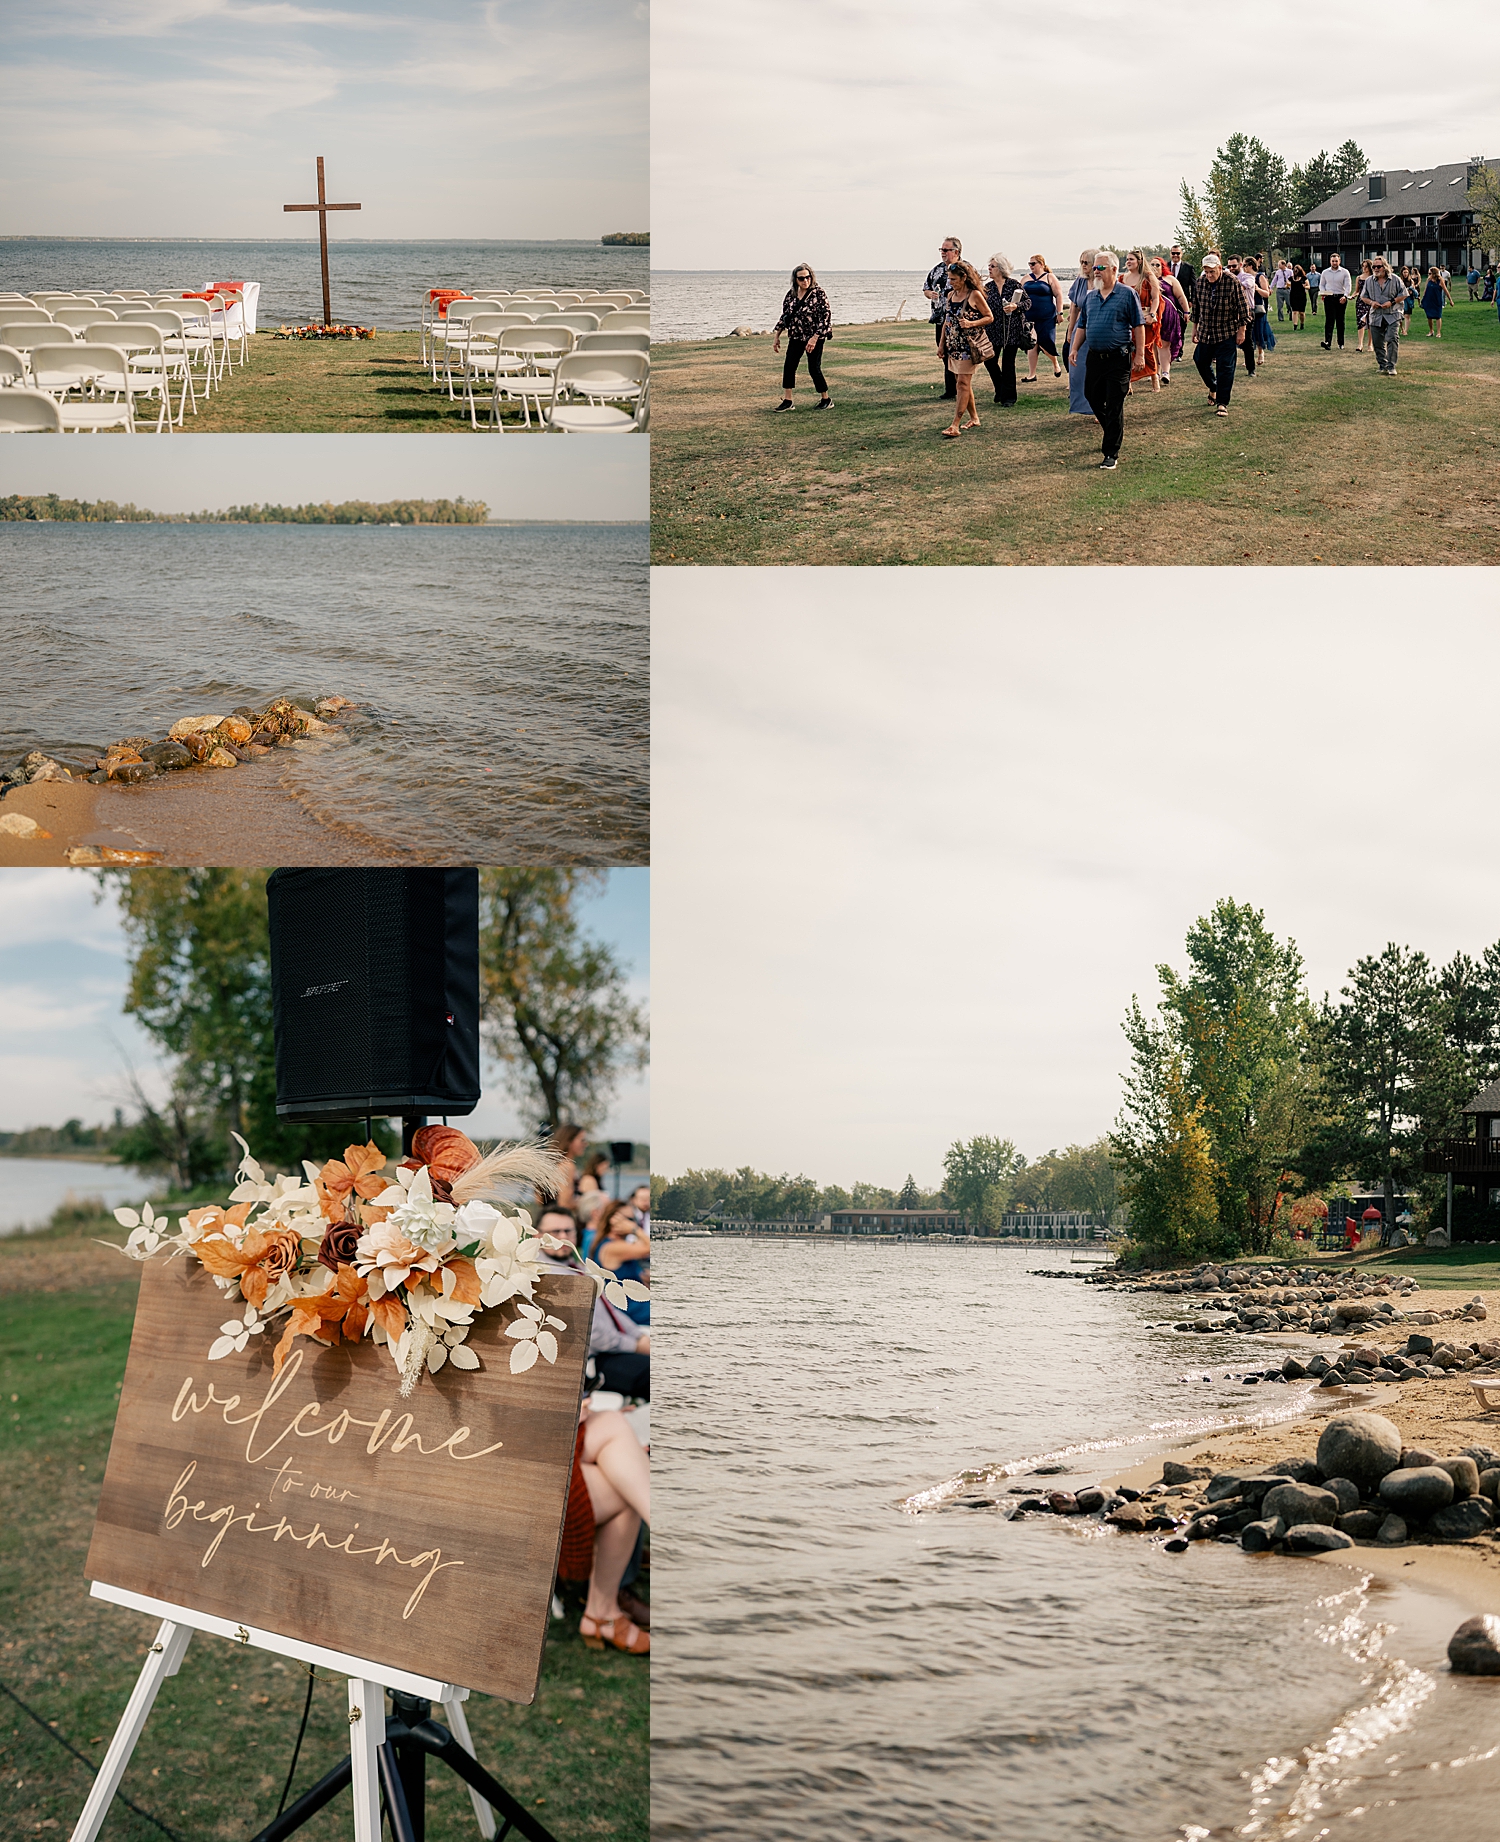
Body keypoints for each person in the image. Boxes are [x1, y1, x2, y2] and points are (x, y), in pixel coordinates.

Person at [557, 1398, 652, 1655]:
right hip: (505, 1453)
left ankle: (601, 1615)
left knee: (616, 1437)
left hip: (546, 1431)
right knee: (624, 1481)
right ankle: (601, 1614)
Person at [1068, 251, 1144, 470]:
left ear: (1113, 269)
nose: (1096, 271)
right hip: (1095, 357)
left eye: (1100, 268)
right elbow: (1082, 325)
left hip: (1118, 358)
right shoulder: (1091, 297)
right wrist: (1074, 348)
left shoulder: (1127, 294)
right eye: (1095, 268)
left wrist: (1139, 355)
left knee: (1114, 404)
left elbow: (1138, 325)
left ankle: (1110, 453)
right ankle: (1111, 429)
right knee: (1091, 396)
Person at [937, 258, 992, 436]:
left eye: (953, 279)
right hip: (953, 345)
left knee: (962, 383)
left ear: (963, 278)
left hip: (969, 346)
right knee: (963, 383)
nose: (950, 282)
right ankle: (974, 418)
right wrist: (941, 344)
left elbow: (989, 317)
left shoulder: (974, 295)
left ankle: (955, 424)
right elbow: (947, 321)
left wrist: (970, 323)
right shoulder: (950, 295)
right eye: (949, 279)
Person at [1190, 251, 1248, 417]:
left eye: (1212, 272)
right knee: (1200, 360)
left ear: (1220, 269)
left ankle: (1222, 403)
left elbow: (1242, 308)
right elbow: (1197, 308)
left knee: (1225, 368)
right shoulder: (1200, 282)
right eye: (1206, 272)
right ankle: (1213, 386)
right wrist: (1195, 329)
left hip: (1226, 331)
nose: (1209, 275)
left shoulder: (1232, 282)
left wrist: (1241, 331)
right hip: (1206, 331)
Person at [771, 264, 832, 410]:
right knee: (789, 366)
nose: (805, 280)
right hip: (796, 336)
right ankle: (788, 400)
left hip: (814, 336)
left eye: (808, 277)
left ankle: (826, 399)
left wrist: (815, 338)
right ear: (795, 280)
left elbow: (826, 317)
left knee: (814, 368)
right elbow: (785, 317)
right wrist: (777, 336)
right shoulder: (791, 295)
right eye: (801, 278)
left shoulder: (818, 293)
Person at [587, 1197, 652, 1324]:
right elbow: (649, 1248)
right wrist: (635, 1230)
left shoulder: (614, 1244)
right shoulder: (612, 1247)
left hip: (633, 1302)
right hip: (630, 1308)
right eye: (628, 1219)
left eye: (633, 1219)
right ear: (612, 1220)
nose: (633, 1223)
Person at [980, 253, 1027, 406]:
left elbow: (1028, 303)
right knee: (989, 361)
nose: (989, 269)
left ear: (1000, 269)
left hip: (1011, 331)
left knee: (1008, 365)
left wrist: (1016, 306)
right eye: (989, 266)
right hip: (992, 331)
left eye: (992, 266)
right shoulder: (987, 288)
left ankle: (1009, 398)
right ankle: (1000, 388)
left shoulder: (1014, 285)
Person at [591, 1288, 650, 1400]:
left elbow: (610, 1311)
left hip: (616, 1346)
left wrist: (639, 1336)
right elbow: (592, 1332)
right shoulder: (560, 1275)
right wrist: (636, 1346)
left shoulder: (580, 1271)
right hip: (594, 1359)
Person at [925, 236, 963, 400]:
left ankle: (961, 386)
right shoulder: (937, 270)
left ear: (956, 252)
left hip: (958, 320)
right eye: (941, 250)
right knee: (944, 353)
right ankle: (951, 389)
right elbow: (926, 288)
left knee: (958, 354)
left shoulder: (964, 269)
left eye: (946, 250)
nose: (943, 253)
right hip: (940, 318)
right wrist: (930, 294)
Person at [1021, 255, 1065, 381]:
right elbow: (1017, 295)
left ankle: (1055, 363)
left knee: (1046, 342)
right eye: (1029, 264)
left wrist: (1060, 313)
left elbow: (1058, 294)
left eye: (1033, 263)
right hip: (1029, 316)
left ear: (1041, 264)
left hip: (1046, 317)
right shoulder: (1025, 278)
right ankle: (1032, 374)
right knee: (1032, 343)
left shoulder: (1049, 277)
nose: (1031, 266)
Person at [1360, 257, 1407, 376]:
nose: (1376, 269)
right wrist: (1371, 303)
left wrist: (1391, 302)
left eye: (1378, 266)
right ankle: (1382, 365)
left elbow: (1404, 294)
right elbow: (1363, 296)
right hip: (1376, 315)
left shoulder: (1395, 279)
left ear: (1384, 267)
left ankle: (1391, 366)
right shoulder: (1369, 281)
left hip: (1393, 314)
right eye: (1374, 267)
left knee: (1392, 338)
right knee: (1377, 342)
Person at [1123, 251, 1161, 391]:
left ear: (1139, 261)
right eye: (1127, 259)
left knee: (1146, 348)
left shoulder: (1148, 277)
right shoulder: (1122, 278)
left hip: (1145, 318)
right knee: (1128, 350)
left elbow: (1156, 298)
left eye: (1131, 259)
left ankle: (1154, 376)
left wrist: (1152, 314)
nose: (1128, 262)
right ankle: (1129, 383)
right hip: (1127, 320)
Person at [1064, 248, 1096, 417]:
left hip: (1099, 327)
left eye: (1086, 263)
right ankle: (1084, 405)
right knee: (1078, 369)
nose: (1083, 266)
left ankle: (1100, 406)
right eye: (1081, 263)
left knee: (1097, 369)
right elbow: (1074, 307)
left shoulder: (1102, 280)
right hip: (1081, 328)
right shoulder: (1080, 281)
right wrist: (1070, 332)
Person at [1148, 257, 1188, 383]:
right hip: (1152, 315)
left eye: (1157, 264)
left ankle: (1166, 372)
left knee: (1164, 344)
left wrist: (1186, 311)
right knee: (1153, 344)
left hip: (1168, 315)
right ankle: (1155, 372)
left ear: (1163, 266)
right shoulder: (1146, 281)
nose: (1155, 266)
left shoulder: (1170, 279)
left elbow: (1180, 296)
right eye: (1152, 264)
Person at [1318, 252, 1352, 349]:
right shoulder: (1325, 272)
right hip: (1329, 297)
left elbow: (1348, 285)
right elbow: (1322, 284)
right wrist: (1323, 292)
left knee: (1340, 320)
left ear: (1339, 261)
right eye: (1333, 261)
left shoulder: (1345, 272)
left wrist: (1345, 296)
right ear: (1330, 261)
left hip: (1341, 297)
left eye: (1336, 261)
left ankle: (1341, 343)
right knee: (1329, 320)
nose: (1334, 263)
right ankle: (1327, 341)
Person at [550, 1122, 589, 1208]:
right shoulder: (567, 1166)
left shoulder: (556, 1164)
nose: (585, 1144)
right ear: (569, 1141)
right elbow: (564, 1202)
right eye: (582, 1140)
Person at [1420, 265, 1454, 337]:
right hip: (1428, 300)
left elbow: (1445, 290)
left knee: (1438, 316)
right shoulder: (1428, 280)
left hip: (1437, 300)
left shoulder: (1440, 281)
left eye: (1430, 273)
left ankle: (1438, 332)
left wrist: (1450, 300)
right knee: (1429, 316)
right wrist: (1423, 298)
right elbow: (1426, 289)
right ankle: (1431, 331)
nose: (1429, 275)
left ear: (1434, 273)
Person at [1353, 260, 1374, 352]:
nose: (1364, 268)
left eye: (1366, 266)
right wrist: (1353, 295)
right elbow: (1357, 290)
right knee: (1361, 321)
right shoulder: (1359, 277)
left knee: (1371, 323)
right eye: (1363, 266)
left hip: (1371, 301)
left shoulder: (1373, 278)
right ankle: (1360, 344)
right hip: (1361, 302)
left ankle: (1370, 344)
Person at [1288, 263, 1308, 329]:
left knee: (1301, 312)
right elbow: (1287, 284)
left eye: (1297, 270)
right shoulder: (1291, 278)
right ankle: (1295, 325)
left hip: (1302, 296)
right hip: (1293, 296)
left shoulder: (1304, 278)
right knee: (1294, 311)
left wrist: (1305, 286)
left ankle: (1302, 323)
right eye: (1295, 270)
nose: (1296, 271)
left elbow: (1309, 286)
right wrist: (1287, 285)